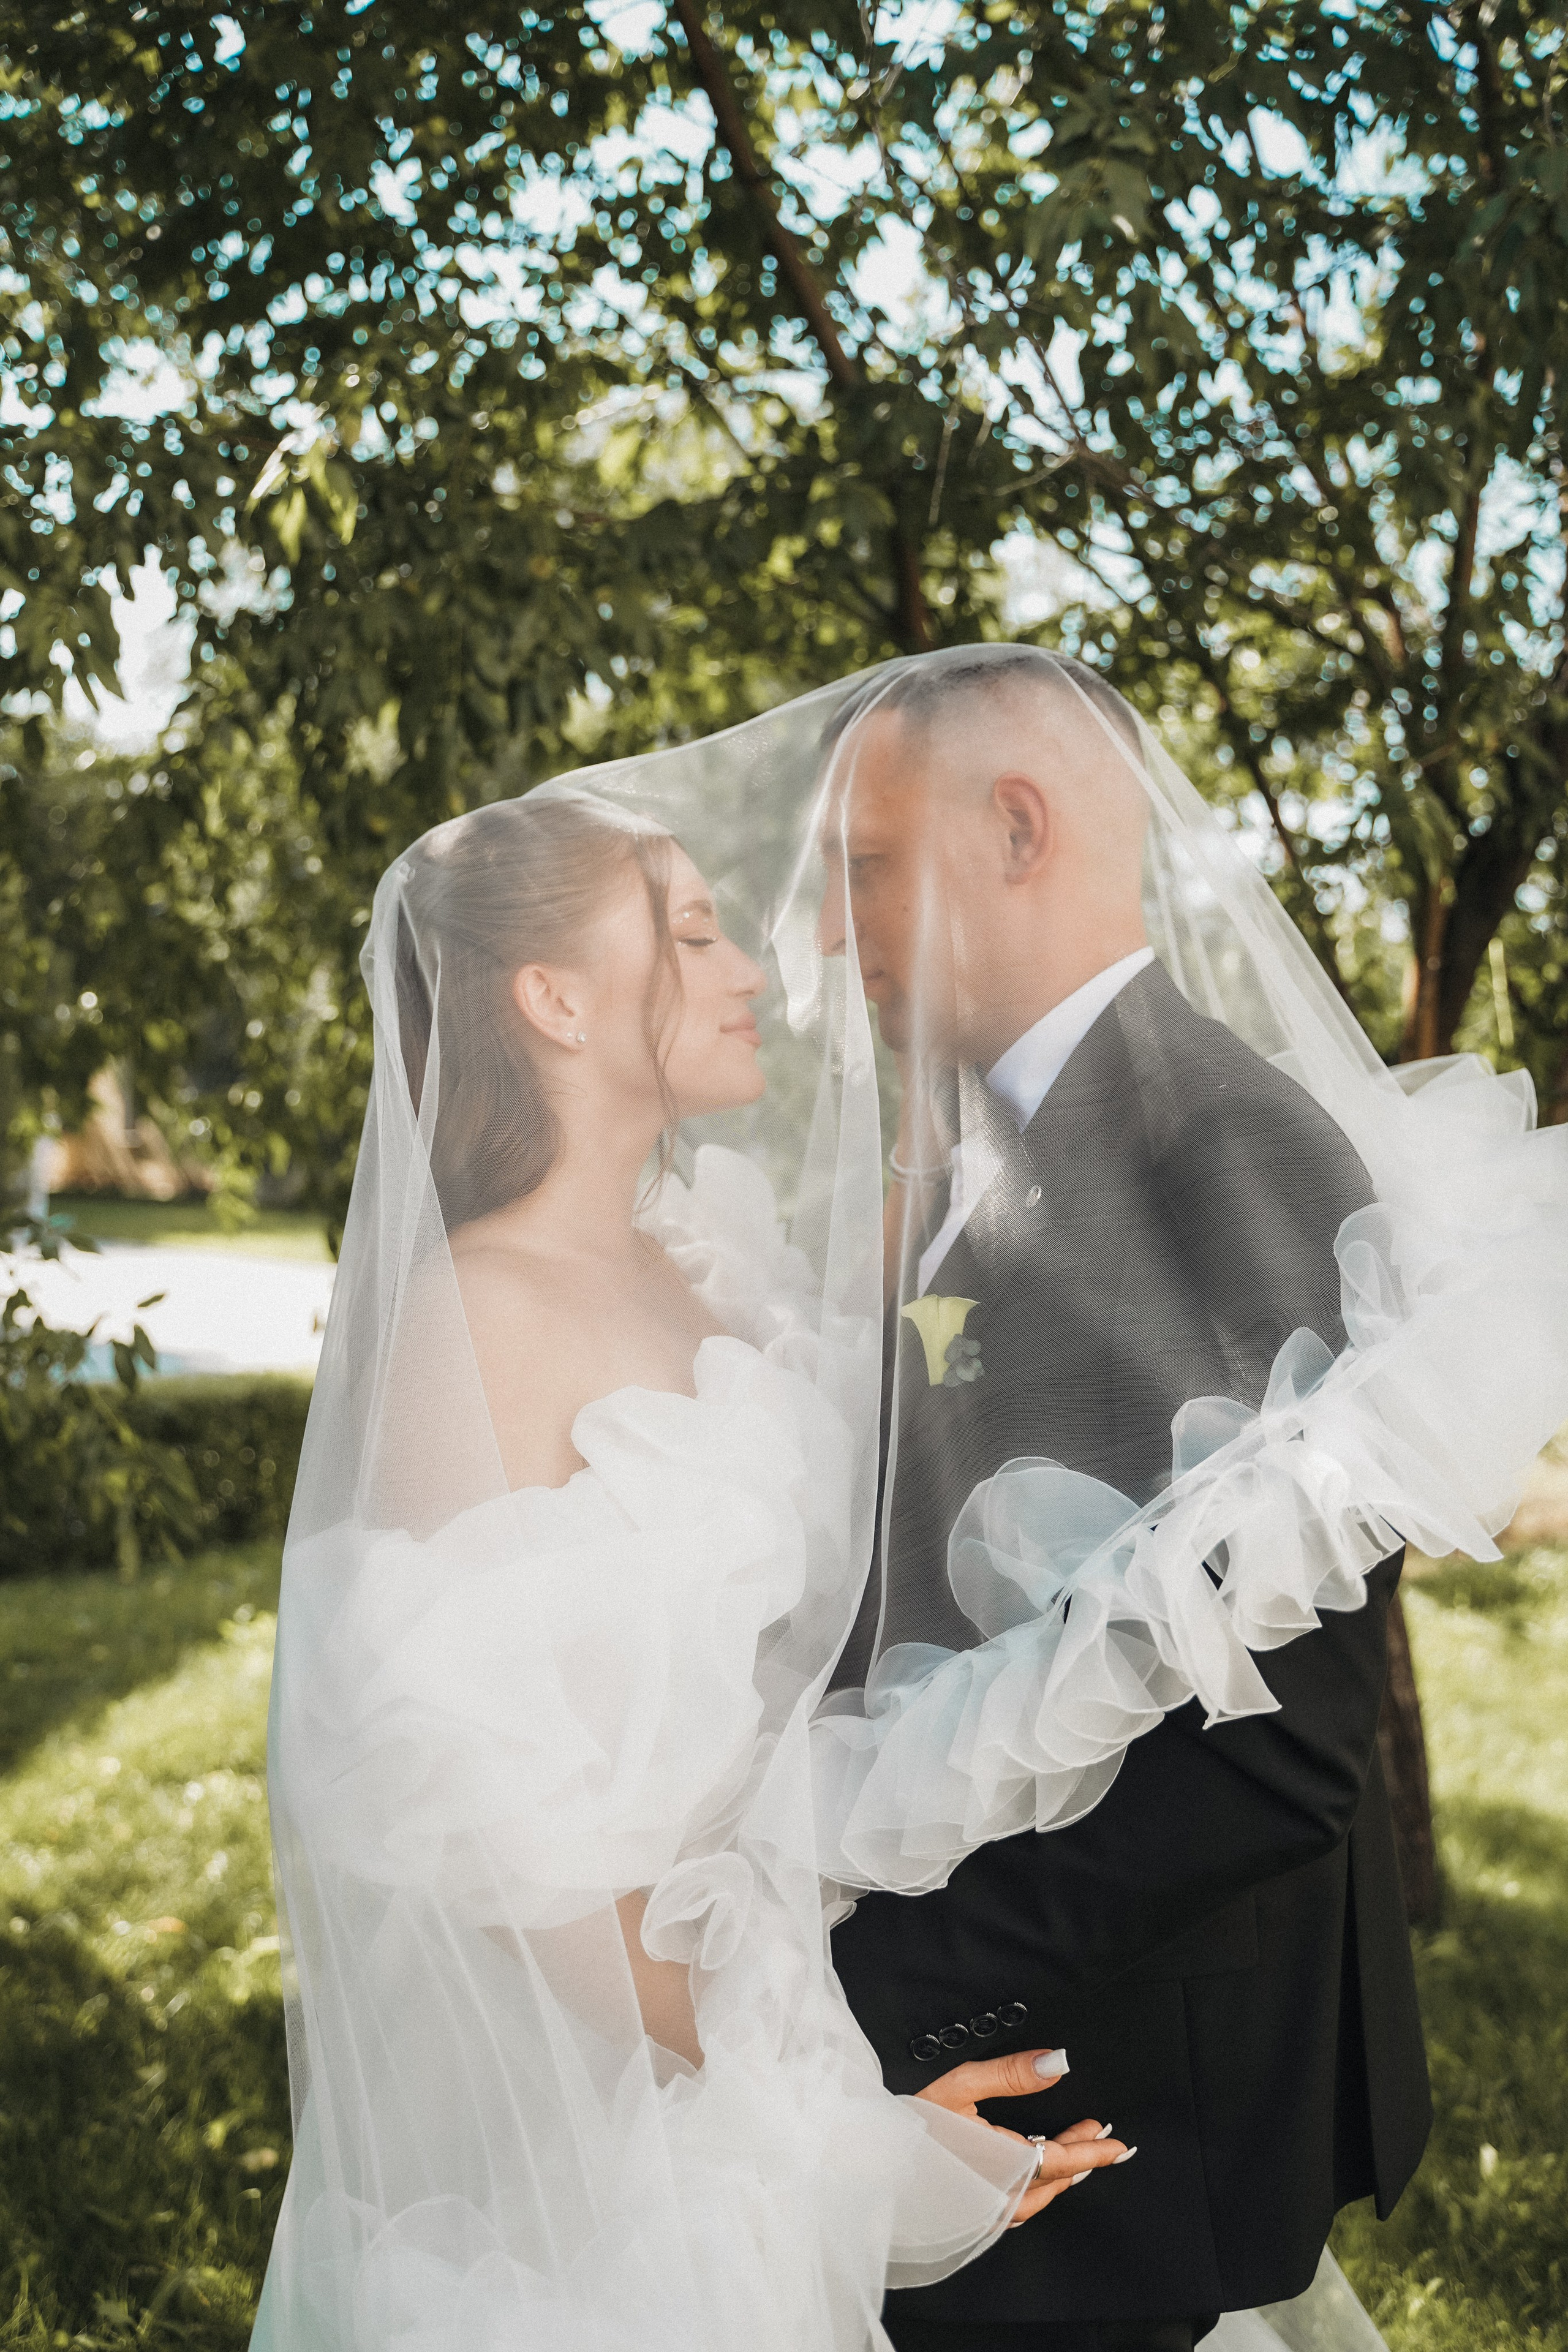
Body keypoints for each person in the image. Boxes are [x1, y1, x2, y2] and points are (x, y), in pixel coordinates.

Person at [252, 788, 1130, 2352]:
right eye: (690, 931)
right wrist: (835, 2122)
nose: (750, 972)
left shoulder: (702, 1249)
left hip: (793, 1970)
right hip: (617, 2118)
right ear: (553, 998)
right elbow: (510, 1847)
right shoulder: (478, 1324)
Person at [815, 647, 1433, 2350]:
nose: (823, 931)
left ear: (1017, 829)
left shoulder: (1222, 1148)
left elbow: (1284, 1745)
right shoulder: (959, 1133)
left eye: (861, 867)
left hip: (1130, 2074)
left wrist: (869, 1995)